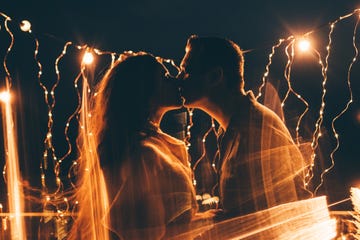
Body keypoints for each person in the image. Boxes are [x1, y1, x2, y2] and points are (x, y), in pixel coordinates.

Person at [69, 51, 201, 240]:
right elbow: (137, 229)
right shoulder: (144, 153)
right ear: (143, 89)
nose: (175, 80)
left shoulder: (156, 145)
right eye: (164, 78)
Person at [178, 35, 311, 220]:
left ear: (216, 77)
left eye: (186, 71)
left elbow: (274, 218)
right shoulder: (236, 128)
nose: (179, 80)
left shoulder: (254, 132)